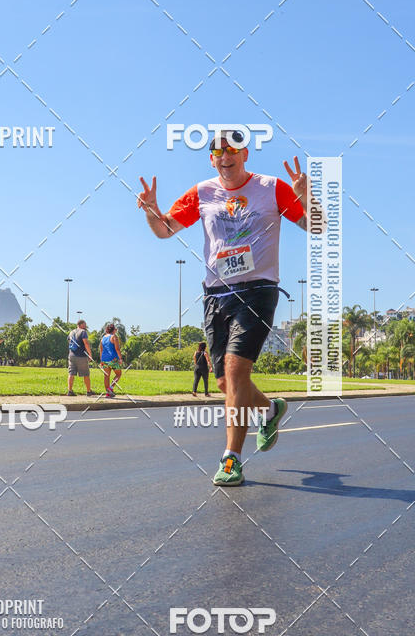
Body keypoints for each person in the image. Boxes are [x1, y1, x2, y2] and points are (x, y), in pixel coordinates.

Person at [138, 132, 325, 486]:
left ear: (245, 155)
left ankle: (231, 459)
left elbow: (317, 226)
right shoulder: (202, 193)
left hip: (258, 290)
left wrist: (307, 197)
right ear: (212, 159)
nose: (225, 156)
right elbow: (164, 230)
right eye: (218, 151)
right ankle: (269, 409)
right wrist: (151, 211)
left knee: (237, 372)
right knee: (225, 381)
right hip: (216, 295)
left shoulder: (273, 187)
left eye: (232, 150)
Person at [67, 319, 97, 396]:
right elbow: (86, 343)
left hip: (71, 355)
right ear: (80, 325)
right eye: (85, 324)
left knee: (71, 373)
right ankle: (88, 391)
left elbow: (69, 341)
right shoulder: (83, 332)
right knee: (86, 374)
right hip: (81, 356)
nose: (86, 326)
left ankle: (70, 391)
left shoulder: (71, 332)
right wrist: (90, 355)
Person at [99, 323, 123, 398]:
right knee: (118, 374)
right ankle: (110, 388)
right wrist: (120, 358)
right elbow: (117, 349)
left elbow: (101, 350)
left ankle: (108, 392)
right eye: (115, 329)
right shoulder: (114, 337)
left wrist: (101, 360)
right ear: (113, 330)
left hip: (104, 359)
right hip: (113, 359)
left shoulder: (103, 338)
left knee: (106, 376)